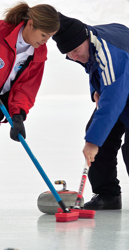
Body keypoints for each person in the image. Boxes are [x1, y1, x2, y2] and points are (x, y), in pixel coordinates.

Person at [0, 2, 59, 212]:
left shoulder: (38, 54)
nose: (45, 41)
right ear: (30, 24)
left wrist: (18, 115)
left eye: (49, 37)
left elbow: (26, 88)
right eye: (44, 35)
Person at [52, 12, 129, 210]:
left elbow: (112, 101)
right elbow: (95, 67)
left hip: (122, 91)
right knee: (98, 132)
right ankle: (108, 195)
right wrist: (96, 89)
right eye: (68, 54)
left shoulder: (109, 51)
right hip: (123, 87)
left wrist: (93, 142)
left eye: (76, 50)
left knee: (101, 139)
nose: (74, 57)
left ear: (85, 37)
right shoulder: (90, 40)